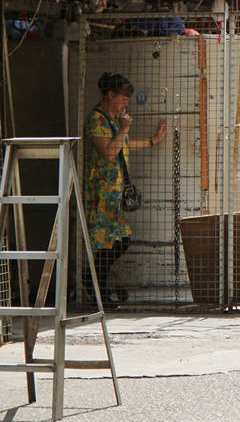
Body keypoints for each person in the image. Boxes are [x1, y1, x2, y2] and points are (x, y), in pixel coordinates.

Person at [83, 72, 167, 305]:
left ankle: (95, 285)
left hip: (114, 193)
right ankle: (95, 287)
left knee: (118, 241)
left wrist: (152, 141)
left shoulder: (111, 119)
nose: (125, 104)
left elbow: (123, 145)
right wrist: (125, 128)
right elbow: (110, 151)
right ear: (110, 95)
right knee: (109, 242)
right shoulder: (96, 120)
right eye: (122, 98)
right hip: (101, 193)